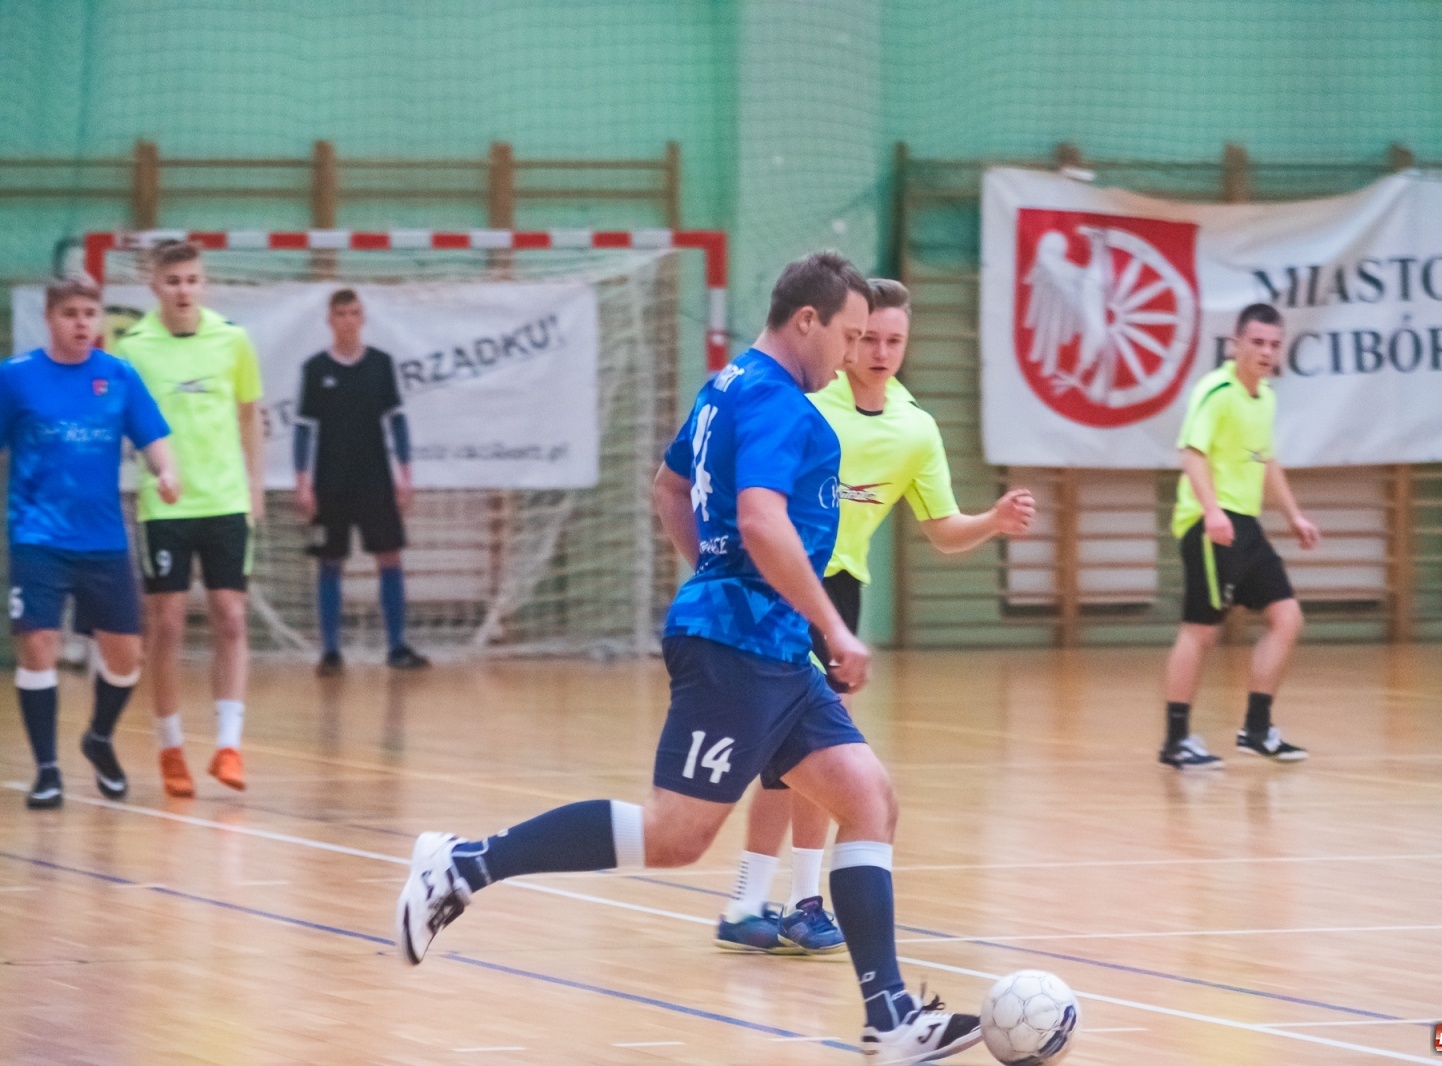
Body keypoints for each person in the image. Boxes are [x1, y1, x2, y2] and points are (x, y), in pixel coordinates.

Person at [395, 252, 984, 1064]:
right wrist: (834, 629)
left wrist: (717, 580)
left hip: (767, 643)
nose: (854, 355)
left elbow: (668, 489)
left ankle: (889, 1017)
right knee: (676, 836)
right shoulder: (784, 404)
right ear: (806, 321)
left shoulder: (725, 388)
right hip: (744, 647)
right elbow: (762, 522)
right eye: (848, 336)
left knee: (870, 798)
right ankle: (464, 865)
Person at [714, 277, 1036, 955]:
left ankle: (800, 902)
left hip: (842, 592)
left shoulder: (915, 428)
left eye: (895, 340)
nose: (881, 351)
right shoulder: (806, 400)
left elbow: (944, 530)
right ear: (848, 336)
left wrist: (994, 521)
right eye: (869, 337)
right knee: (786, 752)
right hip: (784, 586)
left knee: (812, 754)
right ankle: (749, 899)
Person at [3, 277, 178, 808]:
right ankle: (48, 770)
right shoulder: (16, 378)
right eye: (71, 313)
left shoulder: (118, 376)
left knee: (125, 658)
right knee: (38, 646)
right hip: (37, 535)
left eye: (90, 313)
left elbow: (154, 438)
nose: (82, 323)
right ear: (50, 319)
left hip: (103, 540)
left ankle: (99, 738)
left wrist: (167, 472)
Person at [116, 240, 264, 796]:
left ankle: (229, 746)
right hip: (166, 507)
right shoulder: (134, 348)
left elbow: (251, 416)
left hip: (225, 500)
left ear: (205, 284)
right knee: (169, 624)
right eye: (172, 280)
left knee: (230, 617)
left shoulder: (233, 340)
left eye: (192, 279)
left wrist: (254, 488)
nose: (183, 289)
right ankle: (170, 746)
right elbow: (126, 426)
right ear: (155, 286)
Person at [1159, 302, 1321, 769]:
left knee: (1287, 618)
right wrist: (1211, 512)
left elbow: (1265, 460)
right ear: (1236, 344)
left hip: (1245, 524)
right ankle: (1175, 740)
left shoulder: (1264, 398)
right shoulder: (1217, 391)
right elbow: (1192, 455)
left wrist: (1293, 515)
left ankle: (1256, 728)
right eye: (1257, 342)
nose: (1266, 351)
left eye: (1274, 344)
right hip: (1209, 524)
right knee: (1200, 631)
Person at [293, 288, 427, 674]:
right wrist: (303, 482)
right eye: (341, 314)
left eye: (354, 313)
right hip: (330, 481)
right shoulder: (315, 369)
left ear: (363, 317)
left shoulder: (381, 364)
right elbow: (304, 429)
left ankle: (398, 648)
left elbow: (397, 422)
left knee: (390, 556)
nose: (348, 321)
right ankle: (331, 652)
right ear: (330, 321)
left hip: (376, 479)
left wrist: (405, 474)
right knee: (330, 561)